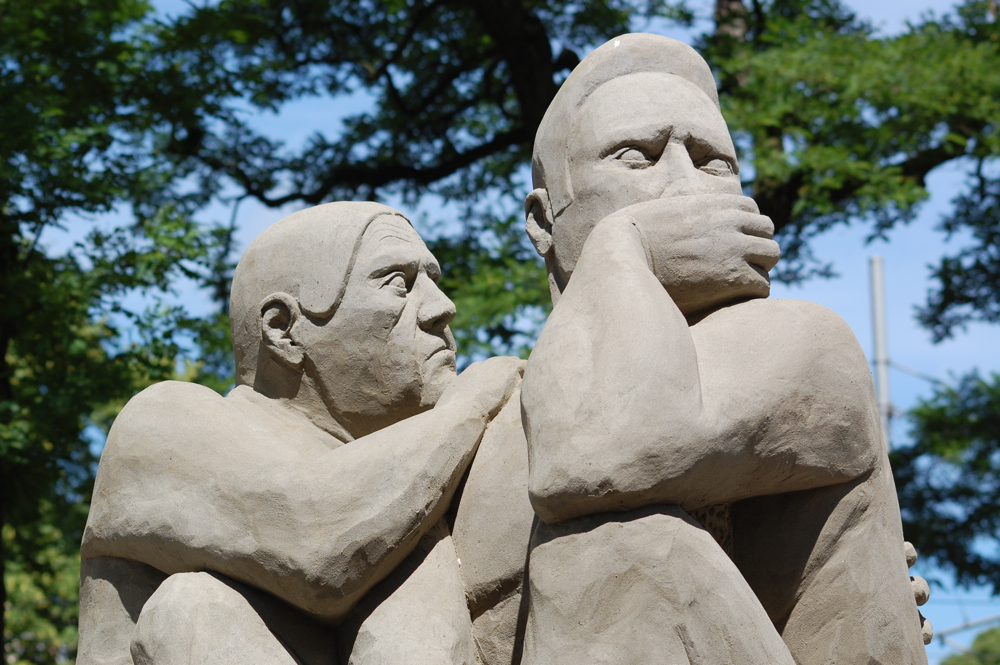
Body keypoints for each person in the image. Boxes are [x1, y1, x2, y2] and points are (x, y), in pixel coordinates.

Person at [518, 33, 929, 665]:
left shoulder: (803, 344)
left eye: (714, 163)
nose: (687, 185)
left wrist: (623, 245)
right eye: (636, 156)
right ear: (545, 222)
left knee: (625, 551)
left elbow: (588, 458)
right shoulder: (502, 398)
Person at [76, 202, 531, 665]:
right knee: (194, 606)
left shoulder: (421, 471)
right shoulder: (162, 424)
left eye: (434, 281)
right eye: (398, 284)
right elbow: (316, 549)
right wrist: (466, 407)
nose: (442, 308)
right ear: (283, 331)